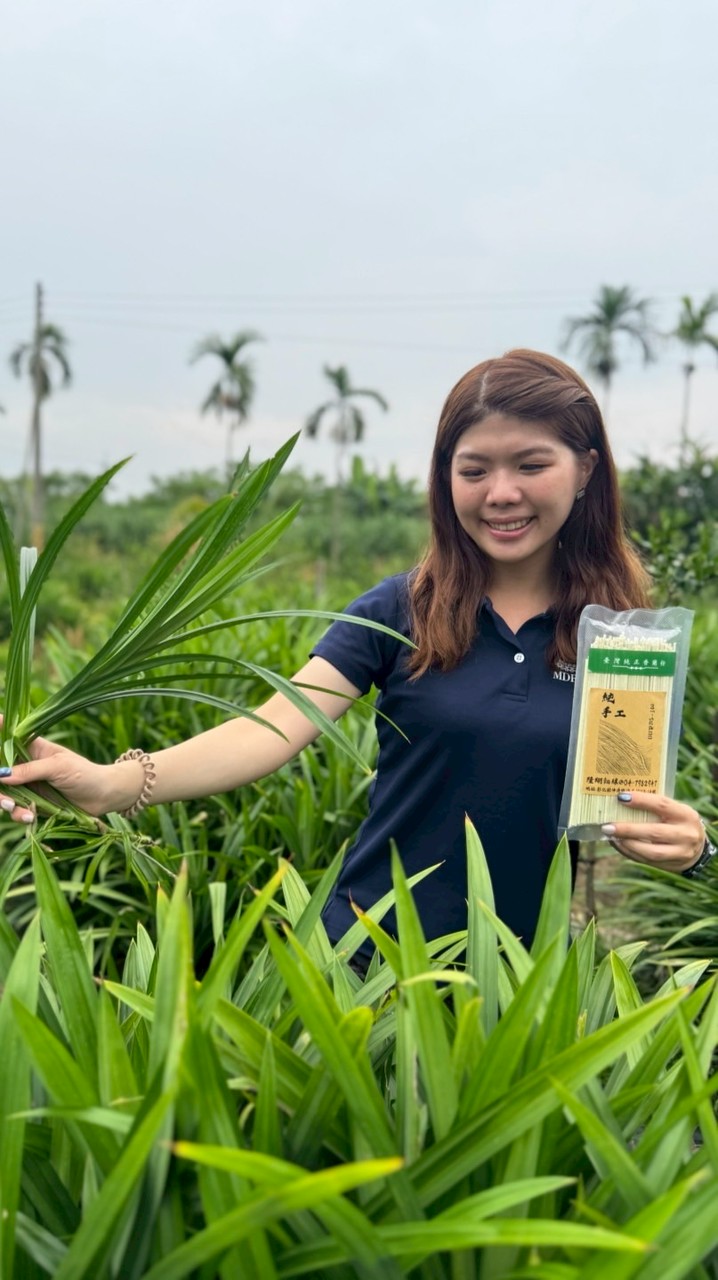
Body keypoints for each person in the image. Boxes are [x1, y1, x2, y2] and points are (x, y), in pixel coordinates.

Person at [0, 349, 711, 965]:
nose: (502, 493)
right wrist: (107, 784)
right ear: (445, 477)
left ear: (585, 469)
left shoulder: (620, 639)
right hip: (367, 960)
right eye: (475, 469)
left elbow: (625, 805)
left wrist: (693, 847)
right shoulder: (399, 611)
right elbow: (268, 730)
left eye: (532, 465)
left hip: (523, 980)